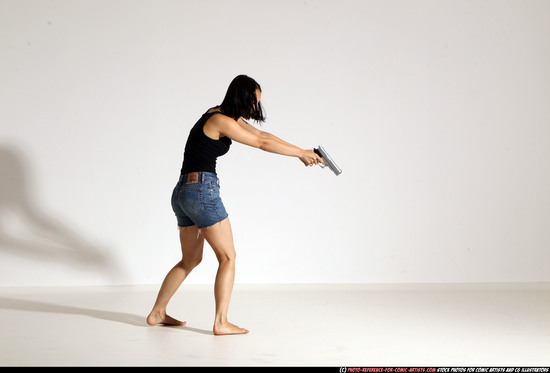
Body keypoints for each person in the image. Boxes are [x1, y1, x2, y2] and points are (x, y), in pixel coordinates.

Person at [146, 75, 324, 335]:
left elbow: (264, 134)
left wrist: (302, 151)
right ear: (241, 98)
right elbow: (261, 143)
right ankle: (221, 322)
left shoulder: (217, 114)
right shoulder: (220, 120)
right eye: (253, 102)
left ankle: (157, 312)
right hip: (201, 191)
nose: (255, 108)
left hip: (183, 191)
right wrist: (299, 153)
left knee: (190, 259)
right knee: (228, 257)